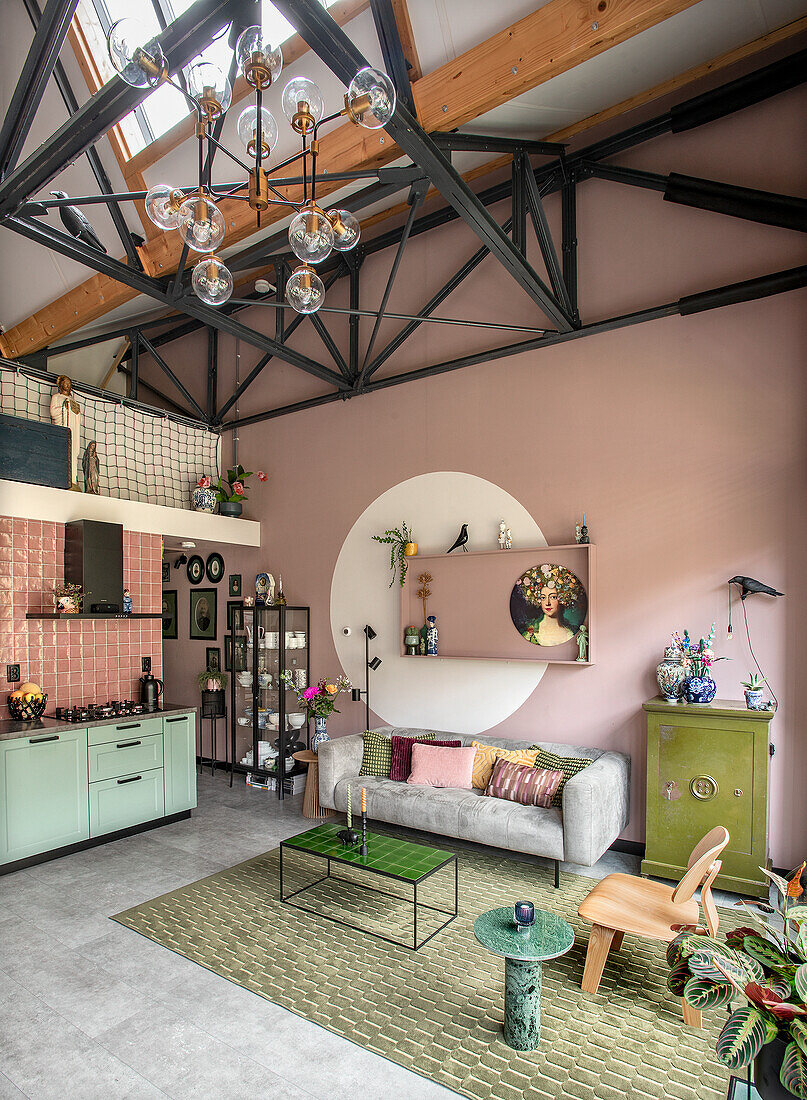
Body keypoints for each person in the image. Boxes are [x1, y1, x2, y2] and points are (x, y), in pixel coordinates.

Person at [50, 375, 81, 490]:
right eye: (65, 383)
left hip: (73, 429)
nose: (67, 385)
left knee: (73, 452)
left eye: (69, 383)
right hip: (63, 427)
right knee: (62, 450)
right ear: (61, 385)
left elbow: (76, 416)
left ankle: (73, 480)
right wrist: (64, 407)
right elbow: (53, 413)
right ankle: (62, 478)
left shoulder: (73, 401)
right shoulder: (56, 397)